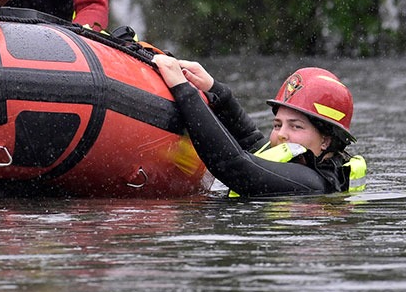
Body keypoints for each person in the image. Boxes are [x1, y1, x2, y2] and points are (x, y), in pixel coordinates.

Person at [153, 56, 367, 197]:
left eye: (296, 127)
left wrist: (184, 91)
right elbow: (251, 139)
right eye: (277, 124)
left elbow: (234, 165)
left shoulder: (312, 183)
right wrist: (214, 89)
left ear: (326, 140)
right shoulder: (303, 163)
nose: (281, 135)